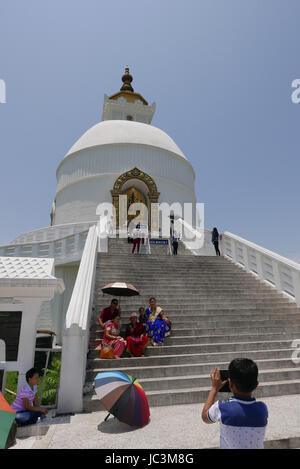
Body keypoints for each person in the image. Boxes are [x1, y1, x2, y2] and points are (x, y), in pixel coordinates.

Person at [201, 358, 268, 449]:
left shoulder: (222, 408)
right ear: (256, 385)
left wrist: (214, 388)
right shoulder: (262, 409)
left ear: (230, 384)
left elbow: (205, 417)